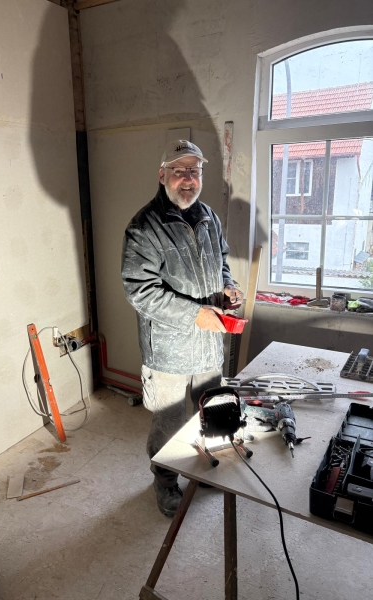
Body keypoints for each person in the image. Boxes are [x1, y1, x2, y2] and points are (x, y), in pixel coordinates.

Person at [121, 140, 244, 517]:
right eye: (179, 171)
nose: (188, 179)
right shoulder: (144, 226)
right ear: (162, 176)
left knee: (210, 411)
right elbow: (140, 291)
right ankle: (165, 481)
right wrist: (194, 314)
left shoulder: (209, 217)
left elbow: (222, 261)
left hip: (208, 344)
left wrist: (228, 288)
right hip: (168, 350)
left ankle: (203, 464)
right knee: (170, 422)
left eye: (195, 171)